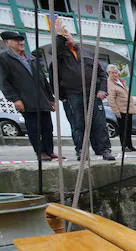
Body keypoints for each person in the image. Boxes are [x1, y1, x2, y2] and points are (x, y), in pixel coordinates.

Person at [50, 20, 114, 160]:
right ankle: (81, 150)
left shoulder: (88, 53)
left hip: (93, 93)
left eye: (68, 35)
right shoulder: (59, 55)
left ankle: (104, 149)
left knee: (99, 123)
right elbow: (54, 76)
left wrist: (102, 90)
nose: (67, 39)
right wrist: (62, 96)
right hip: (73, 94)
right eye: (64, 37)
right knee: (78, 124)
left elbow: (102, 74)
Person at [0, 30, 58, 160]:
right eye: (17, 40)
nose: (21, 43)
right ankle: (40, 152)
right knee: (34, 127)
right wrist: (15, 99)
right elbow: (4, 81)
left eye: (21, 40)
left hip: (42, 98)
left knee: (47, 127)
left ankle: (50, 151)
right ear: (7, 43)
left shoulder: (32, 58)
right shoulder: (4, 59)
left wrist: (50, 98)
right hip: (25, 99)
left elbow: (43, 79)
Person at [105, 64, 136, 153]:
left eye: (116, 73)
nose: (115, 75)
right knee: (123, 129)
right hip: (121, 110)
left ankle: (130, 146)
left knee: (129, 129)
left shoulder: (121, 81)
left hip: (128, 109)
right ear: (109, 73)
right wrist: (116, 112)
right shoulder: (110, 84)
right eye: (113, 73)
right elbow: (111, 99)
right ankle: (124, 146)